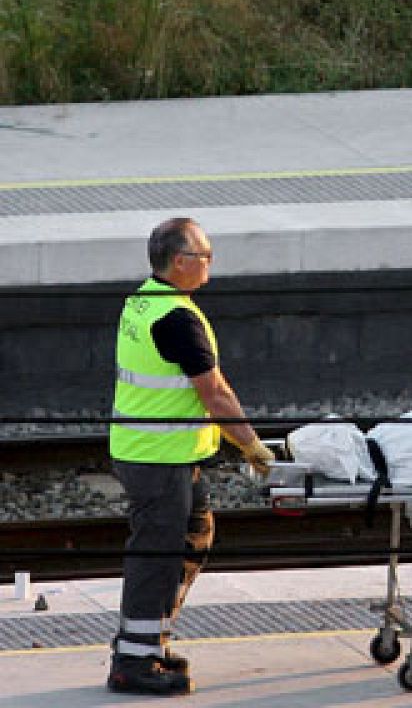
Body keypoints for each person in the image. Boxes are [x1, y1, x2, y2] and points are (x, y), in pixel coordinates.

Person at [106, 218, 273, 696]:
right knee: (156, 555)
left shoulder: (142, 299)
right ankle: (133, 663)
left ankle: (147, 641)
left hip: (157, 451)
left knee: (193, 534)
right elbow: (215, 395)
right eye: (204, 255)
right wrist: (251, 444)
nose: (210, 263)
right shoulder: (176, 318)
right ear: (179, 262)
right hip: (157, 457)